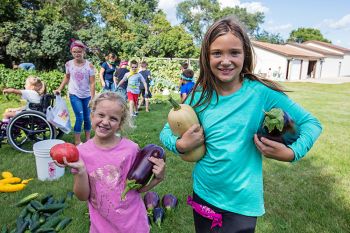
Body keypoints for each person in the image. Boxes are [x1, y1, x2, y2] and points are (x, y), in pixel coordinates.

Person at [159, 16, 322, 233]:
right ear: (206, 57)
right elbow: (165, 132)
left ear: (245, 55)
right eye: (217, 53)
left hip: (242, 204)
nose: (225, 60)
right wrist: (179, 145)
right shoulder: (199, 96)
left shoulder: (261, 93)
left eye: (234, 52)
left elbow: (312, 123)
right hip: (204, 194)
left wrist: (292, 153)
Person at [55, 92, 165, 233]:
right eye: (101, 115)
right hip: (101, 227)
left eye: (113, 118)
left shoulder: (131, 149)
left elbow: (136, 190)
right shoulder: (81, 153)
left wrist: (158, 179)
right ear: (92, 115)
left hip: (134, 225)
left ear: (120, 124)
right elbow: (82, 196)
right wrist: (81, 171)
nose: (105, 121)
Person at [55, 40, 95, 145]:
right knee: (80, 117)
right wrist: (60, 88)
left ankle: (88, 139)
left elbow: (92, 83)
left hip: (86, 95)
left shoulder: (89, 66)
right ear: (71, 52)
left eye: (79, 51)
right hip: (74, 94)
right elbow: (67, 77)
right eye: (74, 52)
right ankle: (77, 141)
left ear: (83, 52)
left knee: (87, 118)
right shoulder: (68, 64)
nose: (77, 54)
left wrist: (93, 97)